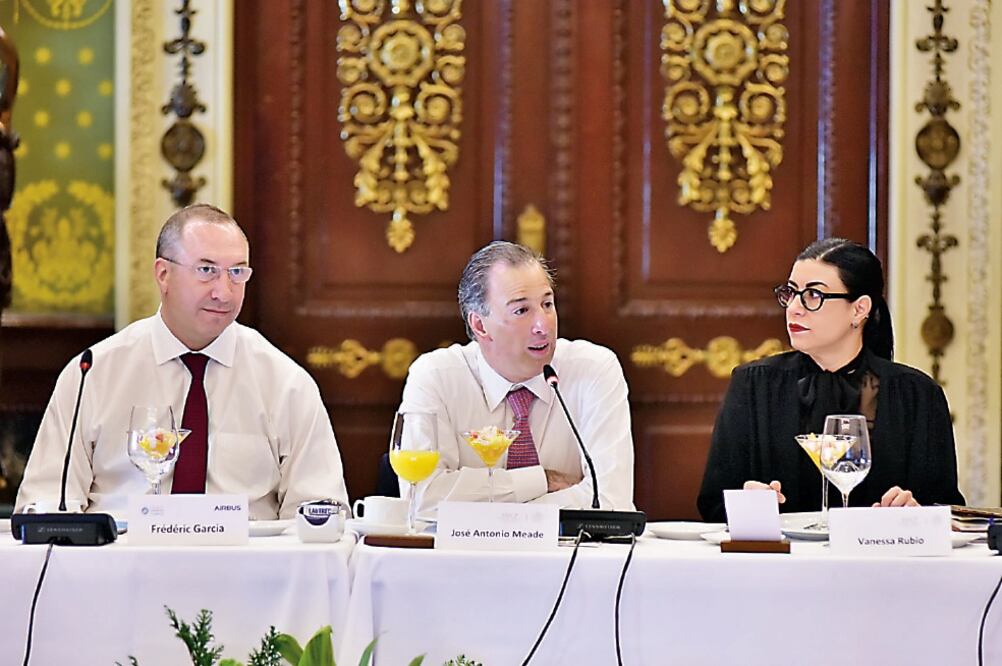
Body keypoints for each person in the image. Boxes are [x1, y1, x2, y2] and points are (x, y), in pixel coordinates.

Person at [15, 204, 348, 519]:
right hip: (121, 557)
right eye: (206, 271)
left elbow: (318, 513)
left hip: (245, 558)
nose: (224, 292)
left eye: (236, 272)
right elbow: (47, 503)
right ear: (163, 274)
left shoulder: (286, 383)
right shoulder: (93, 372)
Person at [698, 238, 964, 522]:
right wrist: (745, 501)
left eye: (813, 295)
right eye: (791, 292)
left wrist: (915, 511)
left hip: (877, 550)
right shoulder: (753, 384)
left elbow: (945, 509)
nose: (794, 308)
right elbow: (713, 503)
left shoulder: (917, 394)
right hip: (782, 551)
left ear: (859, 309)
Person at [397, 240, 635, 514]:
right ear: (480, 325)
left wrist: (488, 511)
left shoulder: (593, 369)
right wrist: (540, 480)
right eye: (522, 310)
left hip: (564, 547)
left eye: (547, 304)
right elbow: (422, 500)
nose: (543, 325)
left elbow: (610, 502)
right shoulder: (436, 377)